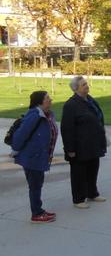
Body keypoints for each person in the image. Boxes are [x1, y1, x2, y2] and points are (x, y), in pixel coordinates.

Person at [11, 91, 58, 223]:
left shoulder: (47, 114)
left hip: (39, 156)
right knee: (35, 186)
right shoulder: (34, 115)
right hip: (32, 158)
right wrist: (15, 150)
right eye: (47, 98)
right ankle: (36, 214)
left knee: (37, 184)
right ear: (40, 102)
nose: (51, 99)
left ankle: (39, 210)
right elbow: (21, 135)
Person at [60, 76, 107, 209]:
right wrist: (70, 149)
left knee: (93, 169)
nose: (87, 86)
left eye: (86, 83)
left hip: (93, 143)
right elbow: (66, 128)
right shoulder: (71, 105)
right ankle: (78, 199)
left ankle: (92, 193)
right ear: (76, 89)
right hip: (80, 146)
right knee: (78, 173)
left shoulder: (90, 100)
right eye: (83, 85)